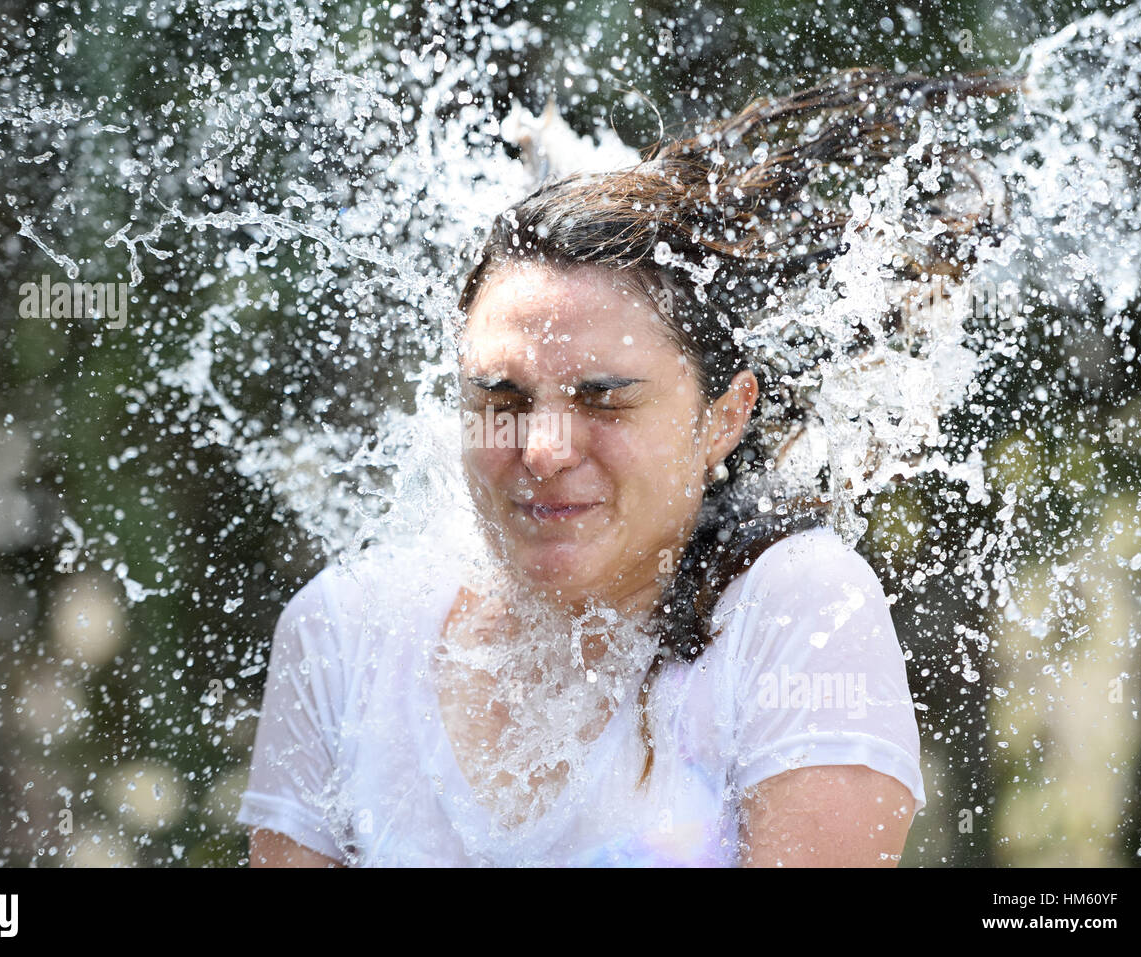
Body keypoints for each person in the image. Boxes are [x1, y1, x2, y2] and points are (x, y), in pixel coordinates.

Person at [237, 68, 1018, 866]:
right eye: (502, 400)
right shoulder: (345, 633)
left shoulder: (794, 611)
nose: (542, 449)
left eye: (604, 400)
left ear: (723, 417)